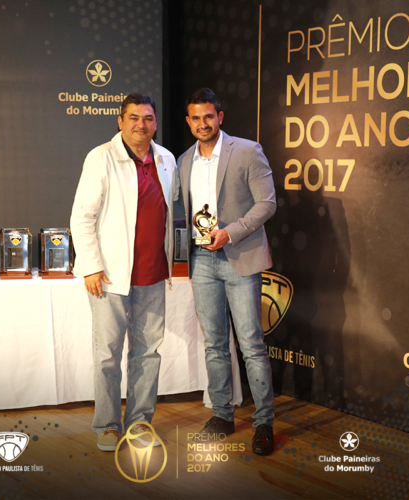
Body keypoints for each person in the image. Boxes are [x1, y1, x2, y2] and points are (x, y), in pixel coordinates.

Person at [70, 93, 178, 452]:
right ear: (120, 121)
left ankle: (139, 424)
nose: (140, 125)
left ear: (156, 123)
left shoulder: (166, 159)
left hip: (153, 274)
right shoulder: (101, 157)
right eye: (133, 118)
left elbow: (169, 211)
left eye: (147, 118)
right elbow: (82, 216)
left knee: (147, 354)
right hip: (110, 276)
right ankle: (106, 425)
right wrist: (91, 266)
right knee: (107, 355)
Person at [176, 88, 276, 456]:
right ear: (188, 122)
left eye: (208, 116)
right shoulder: (183, 161)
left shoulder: (247, 151)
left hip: (240, 258)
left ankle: (264, 423)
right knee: (215, 344)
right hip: (201, 261)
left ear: (220, 117)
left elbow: (267, 203)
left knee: (251, 345)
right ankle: (221, 415)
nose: (202, 123)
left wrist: (230, 233)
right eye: (195, 118)